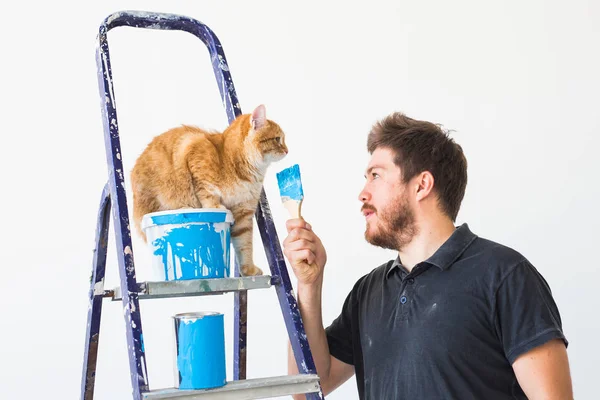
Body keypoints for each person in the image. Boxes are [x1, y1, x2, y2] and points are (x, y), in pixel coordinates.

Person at [283, 112, 573, 399]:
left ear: (421, 185)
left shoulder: (505, 276)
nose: (362, 193)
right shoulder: (368, 292)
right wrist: (309, 284)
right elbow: (309, 387)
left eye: (376, 176)